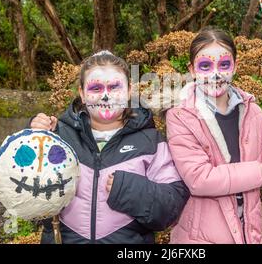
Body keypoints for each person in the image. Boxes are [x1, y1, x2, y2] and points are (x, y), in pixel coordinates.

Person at [165, 28, 262, 244]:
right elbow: (199, 179)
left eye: (224, 65)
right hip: (200, 239)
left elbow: (257, 166)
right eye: (205, 66)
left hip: (248, 234)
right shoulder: (180, 116)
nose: (216, 74)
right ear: (192, 70)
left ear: (235, 66)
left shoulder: (253, 112)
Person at [30, 50, 189, 244]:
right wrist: (35, 138)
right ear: (82, 93)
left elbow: (171, 208)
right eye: (96, 88)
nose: (106, 96)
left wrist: (129, 190)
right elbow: (28, 195)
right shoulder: (60, 137)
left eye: (115, 87)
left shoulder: (151, 141)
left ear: (130, 90)